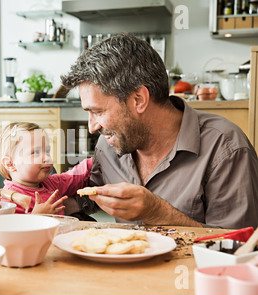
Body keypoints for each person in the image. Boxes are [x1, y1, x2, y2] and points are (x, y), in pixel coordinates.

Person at [60, 33, 258, 229]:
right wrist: (42, 203)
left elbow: (238, 247)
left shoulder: (226, 148)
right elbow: (94, 195)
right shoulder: (109, 144)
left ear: (139, 99)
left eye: (98, 111)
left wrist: (157, 212)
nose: (92, 126)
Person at [0, 122, 93, 217]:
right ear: (10, 164)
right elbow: (13, 231)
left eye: (47, 151)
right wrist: (36, 216)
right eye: (36, 152)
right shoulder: (9, 201)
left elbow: (75, 177)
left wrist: (96, 160)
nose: (47, 158)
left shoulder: (51, 182)